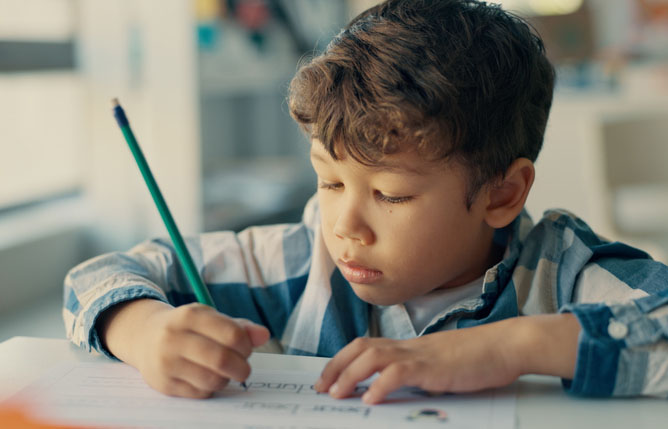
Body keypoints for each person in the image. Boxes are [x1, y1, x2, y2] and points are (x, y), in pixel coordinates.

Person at [63, 0, 668, 404]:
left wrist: (507, 348)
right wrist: (145, 332)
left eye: (390, 194)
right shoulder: (302, 260)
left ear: (502, 193)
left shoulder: (557, 272)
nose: (346, 225)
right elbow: (95, 278)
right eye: (329, 182)